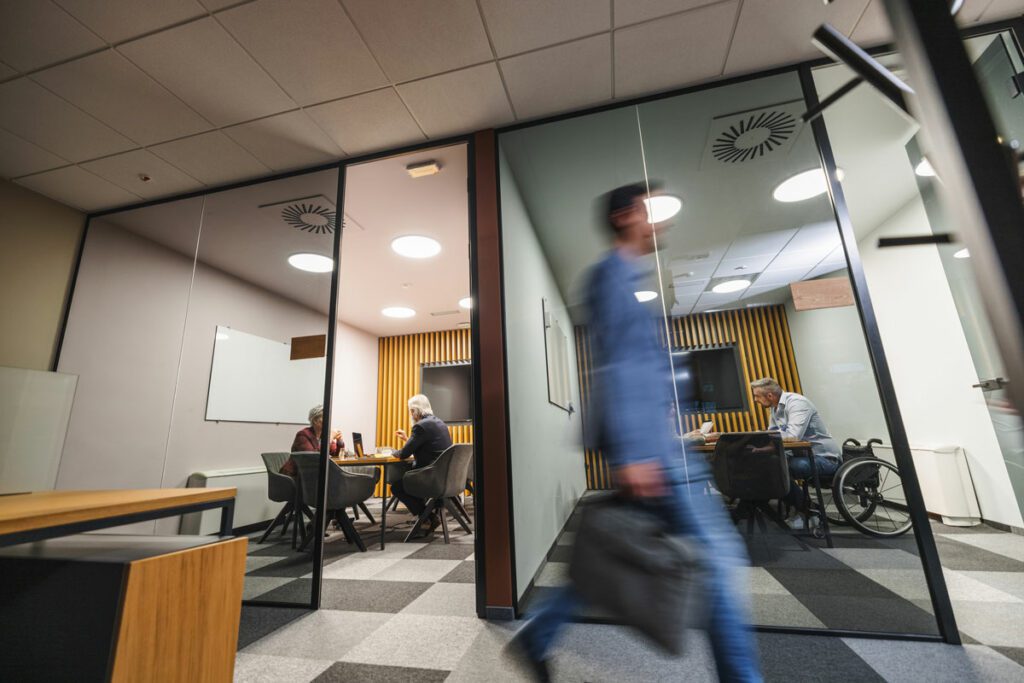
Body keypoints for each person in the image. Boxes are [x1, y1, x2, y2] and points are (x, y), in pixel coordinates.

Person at [508, 183, 762, 682]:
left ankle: (538, 635)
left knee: (617, 553)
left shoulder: (623, 278)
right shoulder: (609, 276)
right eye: (651, 211)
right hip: (654, 453)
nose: (659, 221)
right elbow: (615, 368)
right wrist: (635, 453)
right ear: (625, 216)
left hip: (656, 446)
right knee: (715, 560)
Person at [749, 377, 840, 527]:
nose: (755, 400)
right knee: (765, 465)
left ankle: (808, 511)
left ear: (769, 396)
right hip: (801, 456)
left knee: (779, 469)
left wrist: (762, 436)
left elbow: (792, 436)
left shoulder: (798, 403)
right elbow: (773, 435)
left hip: (823, 458)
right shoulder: (775, 408)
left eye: (757, 396)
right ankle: (805, 510)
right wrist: (759, 447)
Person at [390, 394, 453, 537]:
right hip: (446, 477)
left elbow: (404, 454)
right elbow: (425, 446)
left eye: (410, 411)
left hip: (431, 478)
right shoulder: (439, 422)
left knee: (397, 487)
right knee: (407, 480)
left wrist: (392, 452)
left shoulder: (420, 426)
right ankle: (426, 516)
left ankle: (428, 517)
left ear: (414, 410)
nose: (410, 414)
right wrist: (407, 439)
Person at [279, 404, 344, 476]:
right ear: (315, 420)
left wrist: (340, 441)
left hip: (312, 474)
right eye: (325, 418)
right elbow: (313, 457)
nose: (329, 421)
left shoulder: (324, 435)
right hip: (295, 475)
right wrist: (330, 438)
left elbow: (335, 454)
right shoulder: (302, 435)